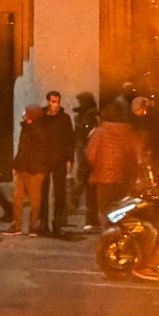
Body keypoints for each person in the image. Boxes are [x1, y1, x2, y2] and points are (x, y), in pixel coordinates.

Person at [86, 103, 142, 226]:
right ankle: (120, 231)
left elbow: (91, 154)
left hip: (103, 177)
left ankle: (108, 234)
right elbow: (138, 155)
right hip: (124, 177)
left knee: (105, 207)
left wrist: (96, 167)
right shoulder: (129, 132)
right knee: (121, 207)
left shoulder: (100, 132)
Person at [5, 105, 49, 236]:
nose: (24, 116)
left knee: (34, 200)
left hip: (34, 170)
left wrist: (35, 167)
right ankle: (17, 225)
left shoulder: (39, 130)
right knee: (17, 198)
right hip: (22, 168)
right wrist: (16, 164)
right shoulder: (26, 128)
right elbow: (22, 150)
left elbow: (39, 152)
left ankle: (33, 227)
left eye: (26, 114)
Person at [39, 91, 74, 235]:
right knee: (43, 192)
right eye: (53, 101)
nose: (55, 104)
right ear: (48, 101)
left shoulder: (64, 118)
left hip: (59, 159)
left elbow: (70, 139)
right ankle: (43, 223)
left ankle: (57, 223)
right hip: (44, 158)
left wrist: (69, 158)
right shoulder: (41, 117)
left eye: (57, 101)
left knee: (59, 192)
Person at [70, 91, 101, 231]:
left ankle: (91, 218)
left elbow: (86, 133)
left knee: (88, 188)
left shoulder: (91, 116)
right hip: (83, 154)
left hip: (88, 156)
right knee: (87, 187)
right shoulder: (84, 114)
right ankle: (90, 218)